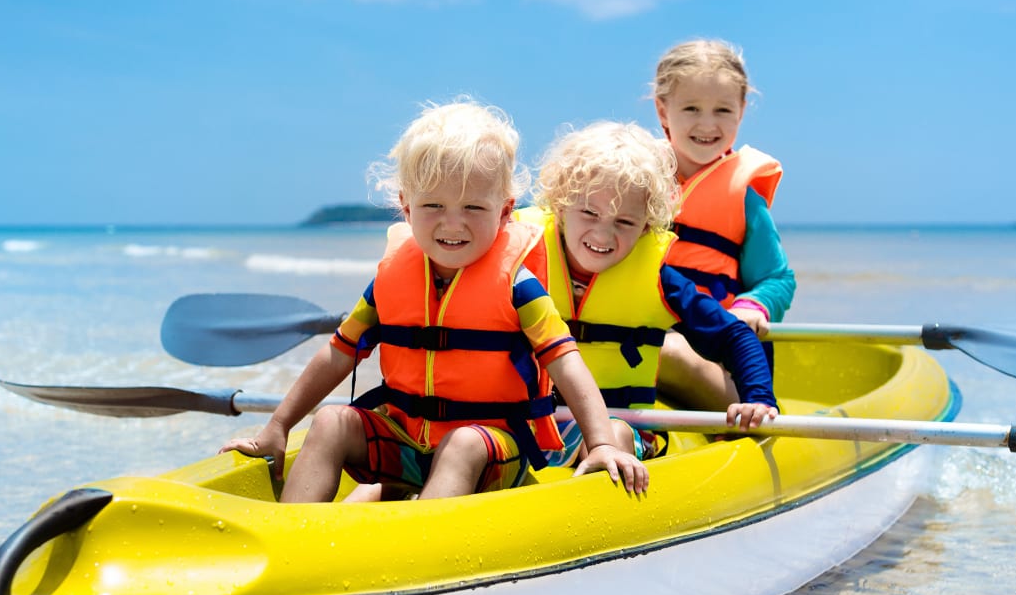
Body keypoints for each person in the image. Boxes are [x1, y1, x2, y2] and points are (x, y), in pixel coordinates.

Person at [222, 100, 649, 502]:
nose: (452, 223)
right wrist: (279, 425)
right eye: (433, 205)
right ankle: (296, 538)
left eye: (472, 207)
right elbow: (338, 355)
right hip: (407, 442)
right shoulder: (388, 283)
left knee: (462, 443)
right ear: (406, 207)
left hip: (495, 449)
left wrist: (600, 444)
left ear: (504, 211)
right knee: (333, 421)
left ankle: (418, 543)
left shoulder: (520, 288)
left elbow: (567, 363)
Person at [520, 121, 777, 468]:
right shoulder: (519, 260)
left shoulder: (662, 282)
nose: (603, 233)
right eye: (589, 213)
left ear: (645, 225)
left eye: (624, 222)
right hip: (533, 423)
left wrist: (759, 399)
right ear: (561, 205)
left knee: (616, 434)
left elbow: (735, 335)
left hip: (623, 424)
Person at [649, 39, 797, 410]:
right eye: (691, 108)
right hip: (641, 331)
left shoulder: (744, 197)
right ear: (662, 110)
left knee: (669, 351)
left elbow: (778, 279)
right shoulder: (635, 179)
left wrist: (754, 306)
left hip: (719, 354)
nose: (707, 124)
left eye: (722, 110)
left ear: (742, 111)